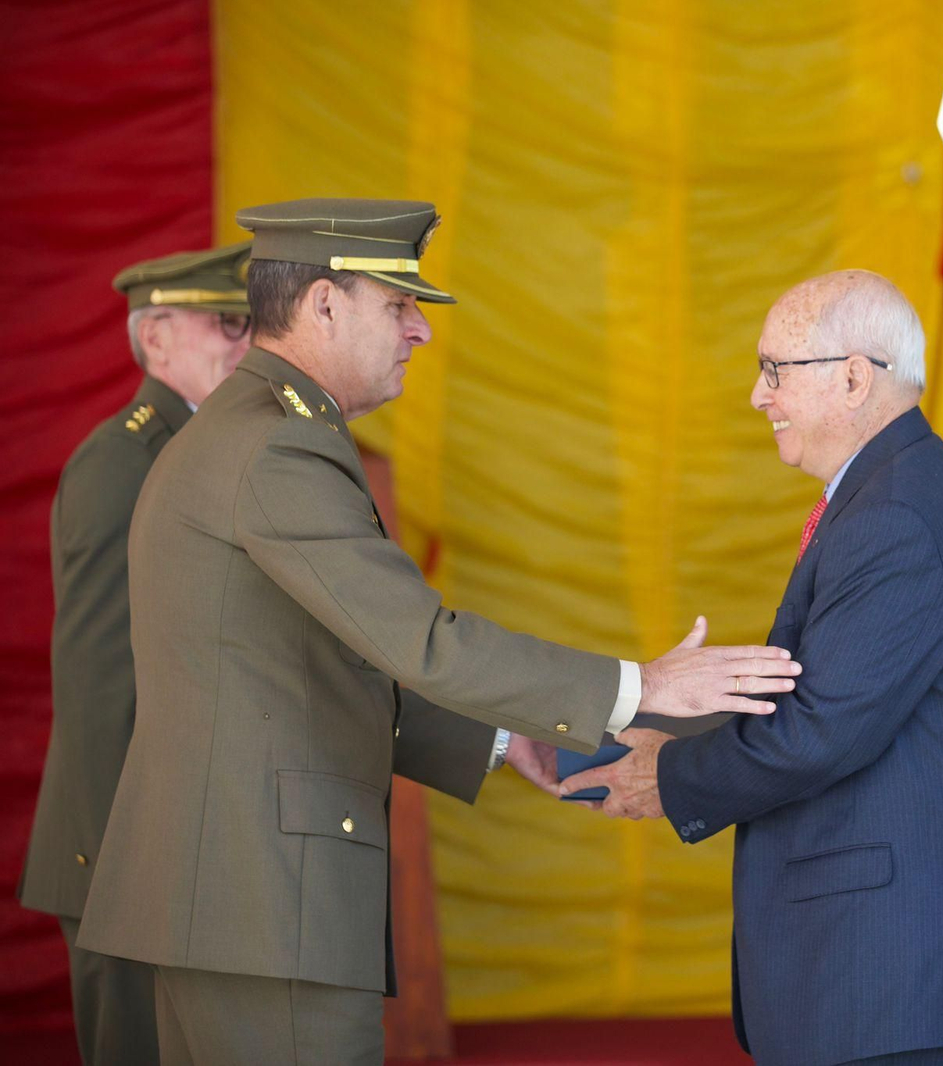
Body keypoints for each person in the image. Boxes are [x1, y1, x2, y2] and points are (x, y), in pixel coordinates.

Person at [75, 198, 800, 1065]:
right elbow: (422, 640)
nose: (419, 329)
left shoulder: (250, 428)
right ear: (324, 304)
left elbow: (306, 668)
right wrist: (642, 685)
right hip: (262, 905)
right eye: (398, 305)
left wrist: (498, 738)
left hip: (228, 900)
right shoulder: (278, 447)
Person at [563, 270, 943, 1065]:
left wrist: (665, 774)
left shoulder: (897, 512)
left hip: (884, 972)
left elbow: (818, 732)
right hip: (874, 968)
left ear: (854, 378)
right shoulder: (889, 490)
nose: (758, 395)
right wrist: (649, 710)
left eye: (775, 369)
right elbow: (826, 696)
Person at [18, 242, 253, 1065]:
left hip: (189, 848)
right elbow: (103, 683)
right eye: (227, 323)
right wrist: (130, 868)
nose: (248, 343)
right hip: (132, 861)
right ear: (155, 338)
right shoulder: (125, 460)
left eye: (252, 323)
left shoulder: (209, 447)